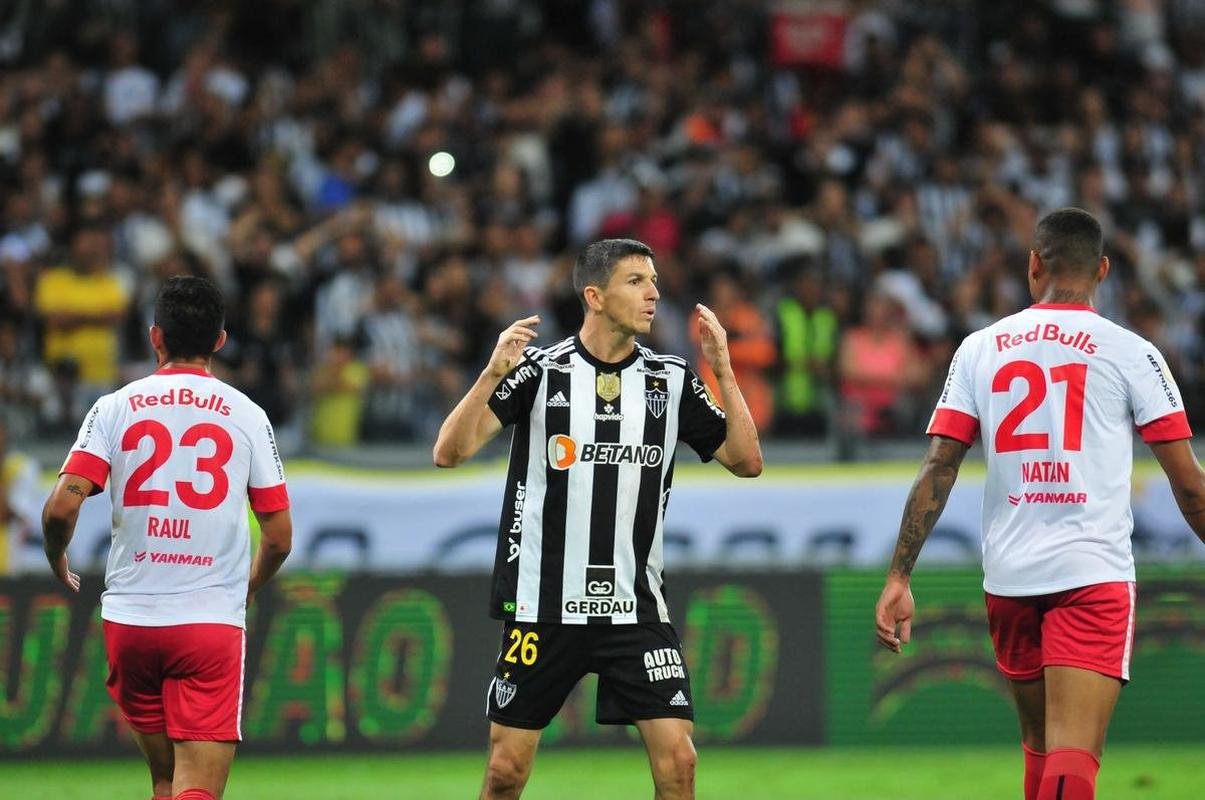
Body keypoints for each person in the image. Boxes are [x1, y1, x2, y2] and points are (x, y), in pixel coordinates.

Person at [874, 208, 1205, 800]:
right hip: (1091, 575)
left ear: (1033, 265)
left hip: (1009, 578)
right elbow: (1190, 486)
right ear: (1102, 270)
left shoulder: (979, 348)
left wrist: (900, 575)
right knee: (1073, 756)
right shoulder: (1132, 353)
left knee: (1041, 748)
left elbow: (938, 466)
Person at [434, 238, 763, 800]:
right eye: (636, 281)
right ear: (595, 296)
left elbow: (747, 461)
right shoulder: (540, 372)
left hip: (634, 607)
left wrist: (724, 372)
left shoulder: (670, 379)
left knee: (680, 763)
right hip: (543, 607)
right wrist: (490, 374)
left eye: (654, 281)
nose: (653, 293)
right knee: (505, 772)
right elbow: (449, 451)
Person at [42, 276, 293, 800]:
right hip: (207, 622)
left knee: (165, 781)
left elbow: (61, 507)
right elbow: (278, 538)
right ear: (220, 341)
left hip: (130, 623)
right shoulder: (247, 415)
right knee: (195, 787)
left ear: (155, 336)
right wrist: (248, 585)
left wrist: (56, 555)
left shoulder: (114, 407)